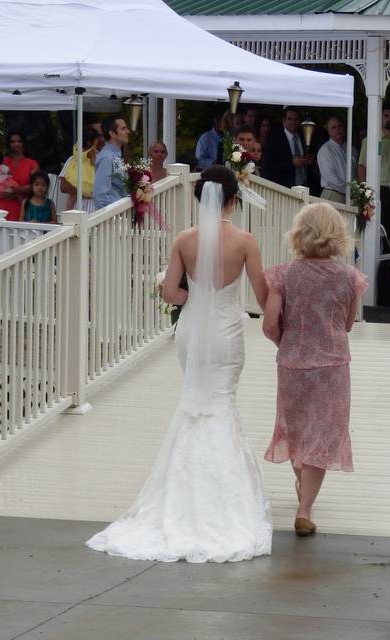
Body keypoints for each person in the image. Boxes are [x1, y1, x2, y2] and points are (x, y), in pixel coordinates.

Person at [87, 166, 271, 562]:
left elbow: (171, 293)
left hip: (192, 331)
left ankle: (180, 493)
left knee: (194, 401)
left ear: (197, 198)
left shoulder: (185, 240)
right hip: (225, 331)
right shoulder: (245, 241)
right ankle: (224, 498)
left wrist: (197, 300)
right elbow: (261, 292)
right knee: (221, 402)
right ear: (234, 200)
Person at [262, 202, 367, 537]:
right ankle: (304, 508)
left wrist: (287, 344)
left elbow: (268, 324)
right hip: (333, 364)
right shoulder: (350, 278)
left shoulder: (283, 274)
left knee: (297, 429)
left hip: (293, 363)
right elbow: (348, 324)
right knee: (323, 434)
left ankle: (301, 486)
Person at [357, 106, 390, 249]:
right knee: (367, 227)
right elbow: (362, 166)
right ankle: (366, 263)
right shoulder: (369, 140)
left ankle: (387, 268)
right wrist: (364, 193)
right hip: (372, 190)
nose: (389, 119)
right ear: (380, 118)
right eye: (386, 116)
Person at [0, 131, 40, 221]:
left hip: (20, 205)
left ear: (24, 143)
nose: (16, 144)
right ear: (8, 144)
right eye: (12, 142)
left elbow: (36, 185)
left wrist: (17, 191)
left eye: (19, 141)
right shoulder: (1, 161)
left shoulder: (32, 164)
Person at [262, 107, 311, 188]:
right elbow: (268, 166)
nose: (293, 122)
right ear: (284, 121)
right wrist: (291, 163)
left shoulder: (303, 137)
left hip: (303, 185)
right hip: (284, 187)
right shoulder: (275, 139)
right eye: (290, 119)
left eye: (296, 119)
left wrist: (308, 159)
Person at [59, 127, 104, 212]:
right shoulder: (72, 160)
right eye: (97, 143)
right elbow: (63, 187)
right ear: (89, 142)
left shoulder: (101, 159)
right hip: (77, 208)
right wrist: (85, 191)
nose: (98, 146)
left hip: (97, 211)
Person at [93, 115, 130, 209]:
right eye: (123, 129)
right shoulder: (107, 157)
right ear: (112, 133)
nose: (128, 132)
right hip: (113, 217)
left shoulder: (115, 155)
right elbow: (101, 195)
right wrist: (113, 219)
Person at [317, 116, 352, 203]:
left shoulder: (352, 149)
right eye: (334, 127)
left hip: (350, 196)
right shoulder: (325, 150)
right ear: (329, 131)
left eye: (340, 126)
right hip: (333, 194)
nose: (338, 129)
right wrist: (350, 190)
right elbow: (331, 178)